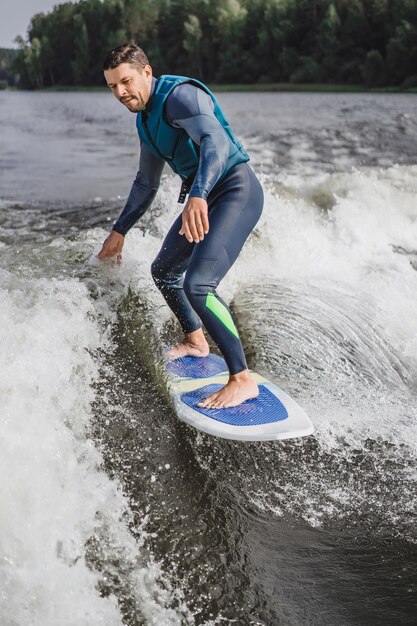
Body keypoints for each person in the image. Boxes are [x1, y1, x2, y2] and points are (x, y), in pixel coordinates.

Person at [98, 42, 264, 409]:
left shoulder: (180, 97)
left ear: (146, 72)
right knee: (164, 271)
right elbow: (146, 183)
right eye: (112, 87)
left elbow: (215, 143)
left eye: (125, 81)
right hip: (207, 198)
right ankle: (196, 340)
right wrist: (119, 231)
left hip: (236, 191)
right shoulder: (146, 120)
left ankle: (241, 378)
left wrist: (199, 193)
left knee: (199, 284)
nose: (121, 93)